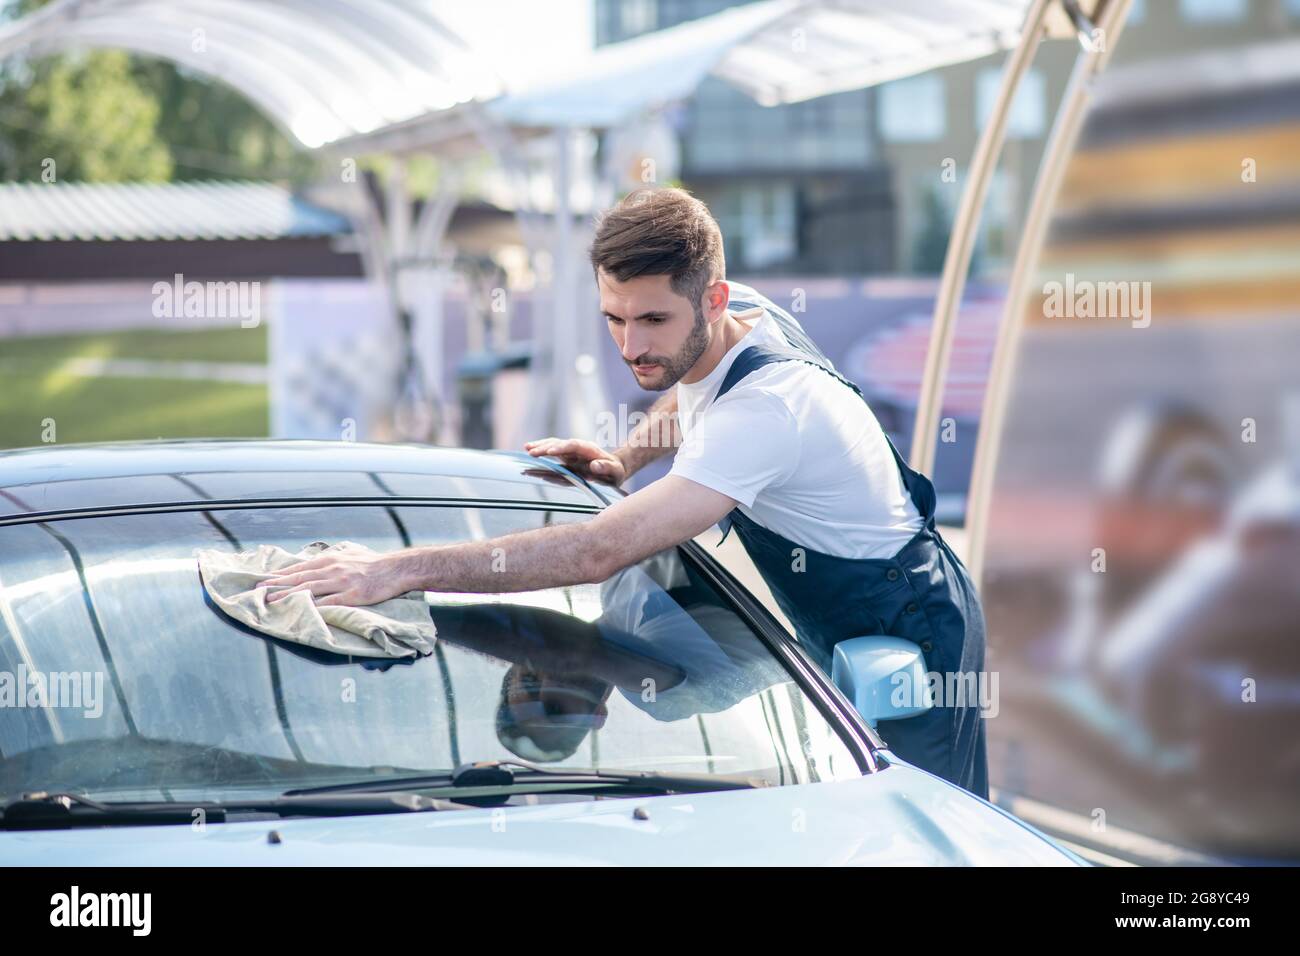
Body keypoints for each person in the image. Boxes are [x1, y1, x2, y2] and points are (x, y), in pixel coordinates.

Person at [261, 186, 989, 798]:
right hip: (850, 607)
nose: (632, 345)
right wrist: (623, 456)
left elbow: (601, 550)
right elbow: (690, 389)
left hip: (911, 626)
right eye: (614, 318)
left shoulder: (767, 411)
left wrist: (397, 570)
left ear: (714, 298)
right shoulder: (740, 321)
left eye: (652, 321)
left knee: (924, 822)